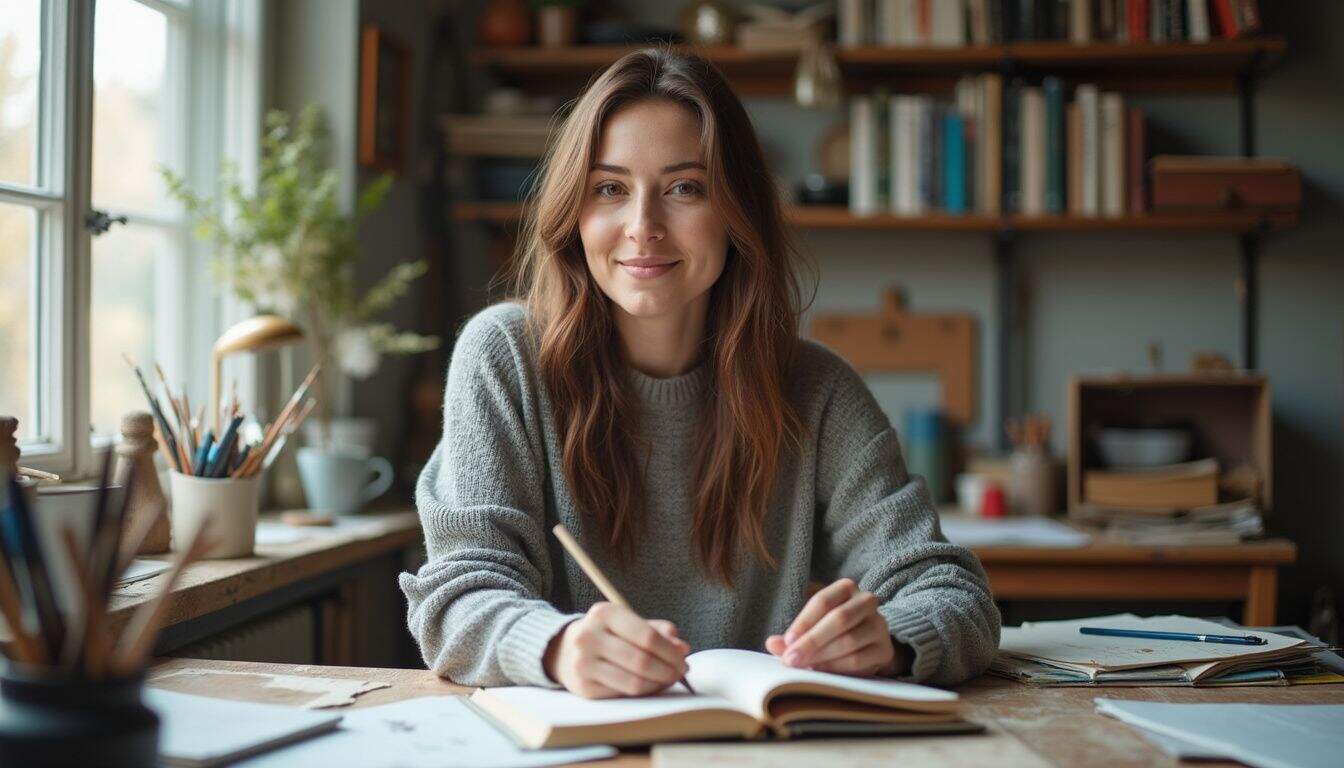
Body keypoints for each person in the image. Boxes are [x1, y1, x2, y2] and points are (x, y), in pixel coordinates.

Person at [400, 48, 999, 699]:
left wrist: (892, 637)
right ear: (574, 212)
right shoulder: (504, 357)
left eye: (685, 188)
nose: (643, 227)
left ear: (736, 212)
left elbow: (955, 595)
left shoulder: (816, 389)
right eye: (609, 189)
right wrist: (557, 647)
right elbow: (458, 597)